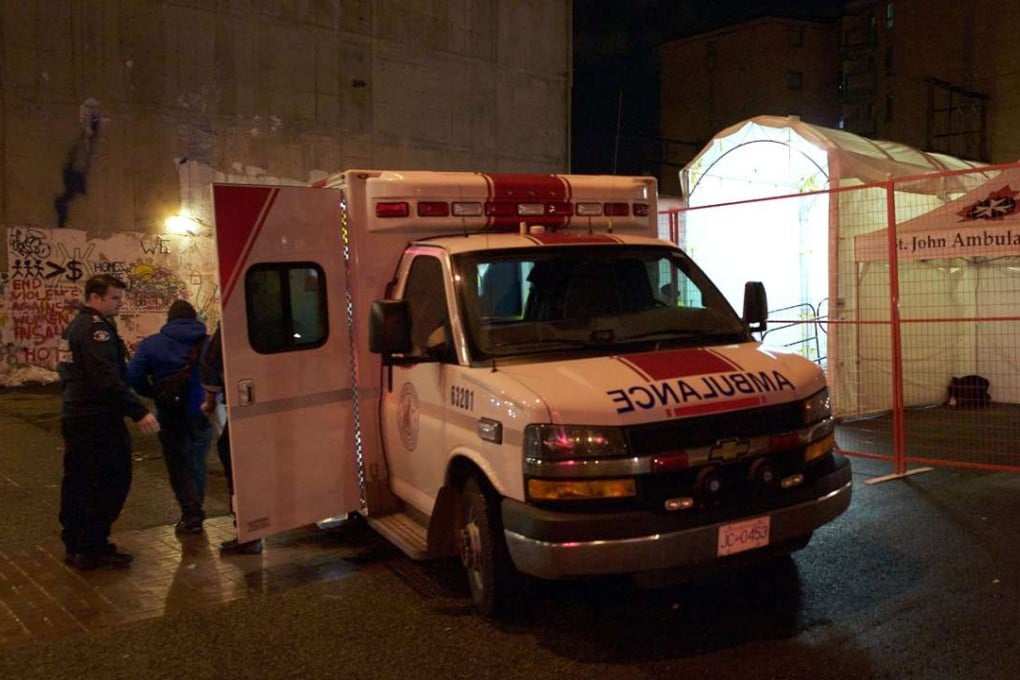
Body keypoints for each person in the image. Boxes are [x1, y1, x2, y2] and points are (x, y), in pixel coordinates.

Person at [58, 274, 160, 570]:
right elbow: (107, 378)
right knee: (111, 480)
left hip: (77, 414)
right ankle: (92, 546)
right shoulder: (95, 330)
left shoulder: (74, 326)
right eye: (114, 298)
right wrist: (139, 411)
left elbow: (67, 372)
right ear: (95, 297)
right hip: (98, 419)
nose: (119, 303)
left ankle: (76, 543)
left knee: (78, 480)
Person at [127, 300, 212, 534]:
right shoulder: (209, 343)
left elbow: (133, 376)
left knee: (177, 463)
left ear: (170, 320)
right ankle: (196, 508)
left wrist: (153, 392)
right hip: (204, 410)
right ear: (194, 318)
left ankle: (191, 511)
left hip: (170, 413)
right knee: (197, 460)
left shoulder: (152, 344)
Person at [199, 324, 263, 555]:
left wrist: (209, 400)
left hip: (242, 406)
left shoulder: (228, 326)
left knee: (235, 462)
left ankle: (248, 531)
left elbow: (211, 364)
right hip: (270, 405)